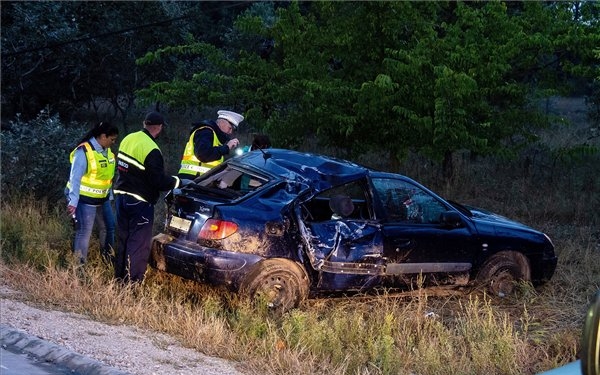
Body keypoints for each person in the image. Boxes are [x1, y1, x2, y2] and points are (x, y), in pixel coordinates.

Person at [113, 111, 185, 283]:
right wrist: (177, 182)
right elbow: (158, 181)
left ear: (144, 123)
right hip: (140, 202)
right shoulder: (152, 149)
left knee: (123, 240)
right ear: (159, 127)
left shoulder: (128, 138)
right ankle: (133, 283)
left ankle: (119, 278)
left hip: (121, 197)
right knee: (138, 244)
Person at [66, 122, 119, 263]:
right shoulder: (83, 151)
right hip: (85, 199)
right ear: (103, 136)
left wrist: (110, 196)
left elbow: (108, 178)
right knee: (84, 232)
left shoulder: (108, 152)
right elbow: (75, 178)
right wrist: (73, 202)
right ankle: (79, 266)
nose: (113, 143)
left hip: (103, 198)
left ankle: (107, 259)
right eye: (111, 139)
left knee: (109, 227)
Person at [178, 110, 244, 178]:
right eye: (230, 128)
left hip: (202, 179)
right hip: (193, 178)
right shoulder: (205, 132)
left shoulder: (217, 138)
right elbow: (203, 155)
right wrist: (226, 147)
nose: (230, 132)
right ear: (222, 122)